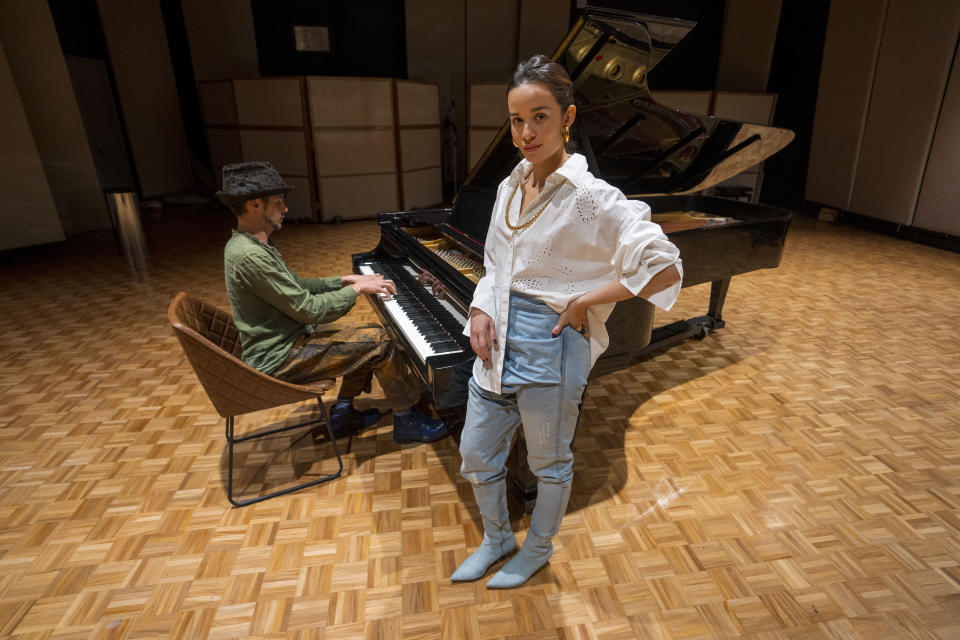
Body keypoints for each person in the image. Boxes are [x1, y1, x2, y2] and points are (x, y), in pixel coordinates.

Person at [450, 56, 683, 588]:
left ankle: (536, 549)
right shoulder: (511, 185)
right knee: (475, 455)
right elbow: (494, 263)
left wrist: (585, 302)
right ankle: (496, 539)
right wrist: (482, 304)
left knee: (548, 464)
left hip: (551, 345)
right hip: (497, 342)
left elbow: (664, 264)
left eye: (540, 117)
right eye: (516, 120)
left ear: (567, 117)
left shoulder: (590, 198)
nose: (526, 132)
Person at [218, 161, 448, 443]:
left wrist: (343, 280)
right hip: (280, 358)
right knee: (379, 342)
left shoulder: (249, 244)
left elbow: (298, 287)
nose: (285, 209)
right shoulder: (250, 256)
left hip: (285, 342)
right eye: (278, 203)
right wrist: (357, 291)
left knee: (364, 336)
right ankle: (406, 420)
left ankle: (344, 412)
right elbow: (309, 309)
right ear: (255, 205)